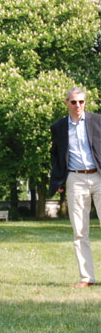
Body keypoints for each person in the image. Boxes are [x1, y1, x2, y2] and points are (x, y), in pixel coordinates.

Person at [49, 86, 100, 288]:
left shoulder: (97, 121)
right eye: (73, 102)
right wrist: (60, 177)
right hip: (75, 180)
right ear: (67, 103)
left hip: (98, 177)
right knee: (80, 231)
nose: (77, 105)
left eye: (81, 101)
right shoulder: (59, 127)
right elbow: (55, 154)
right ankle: (87, 278)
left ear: (85, 103)